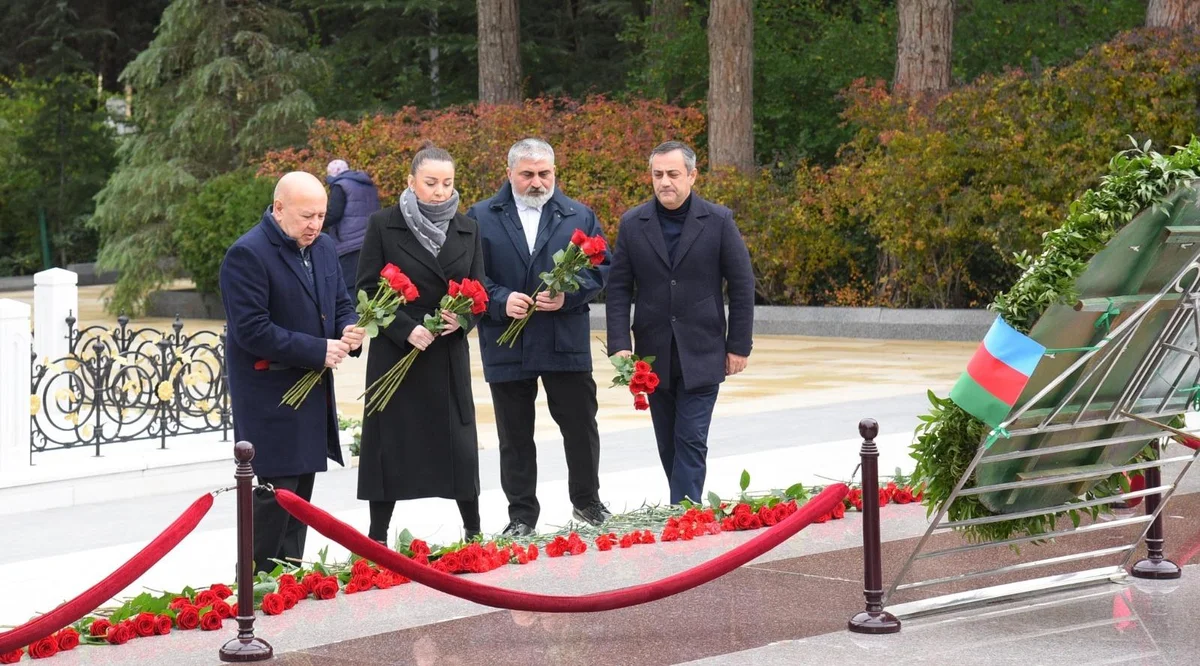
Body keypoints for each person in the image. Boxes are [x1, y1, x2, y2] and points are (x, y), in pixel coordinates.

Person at [219, 171, 366, 573]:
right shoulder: (247, 254)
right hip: (272, 398)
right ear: (279, 209)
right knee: (275, 495)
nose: (316, 225)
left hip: (311, 393)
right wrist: (317, 349)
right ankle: (254, 584)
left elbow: (340, 303)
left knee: (300, 497)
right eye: (307, 216)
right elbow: (252, 330)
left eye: (321, 215)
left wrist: (349, 329)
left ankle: (289, 580)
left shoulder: (324, 247)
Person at [468, 138, 612, 537]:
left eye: (544, 173)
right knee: (514, 435)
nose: (536, 182)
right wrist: (499, 300)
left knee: (580, 426)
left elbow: (602, 269)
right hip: (506, 341)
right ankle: (521, 515)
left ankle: (587, 502)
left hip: (563, 338)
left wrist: (569, 294)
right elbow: (468, 273)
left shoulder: (578, 214)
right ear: (510, 172)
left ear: (555, 172)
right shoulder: (480, 215)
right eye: (527, 174)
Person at [605, 141, 755, 505]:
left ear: (692, 175)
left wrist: (738, 345)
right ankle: (683, 508)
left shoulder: (718, 221)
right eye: (658, 175)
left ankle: (683, 514)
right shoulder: (633, 223)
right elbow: (619, 289)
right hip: (653, 355)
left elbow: (742, 284)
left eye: (673, 174)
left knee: (691, 436)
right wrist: (619, 344)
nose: (665, 182)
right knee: (668, 439)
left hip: (703, 351)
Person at [356, 142, 486, 544]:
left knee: (459, 447)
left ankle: (474, 531)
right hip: (397, 355)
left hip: (445, 356)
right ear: (411, 182)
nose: (440, 191)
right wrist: (405, 327)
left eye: (447, 183)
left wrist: (461, 320)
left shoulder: (468, 227)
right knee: (391, 447)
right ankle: (377, 536)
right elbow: (364, 288)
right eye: (431, 182)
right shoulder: (383, 224)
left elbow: (480, 293)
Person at [324, 159, 381, 299]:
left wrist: (316, 221)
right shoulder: (367, 184)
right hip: (370, 241)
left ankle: (352, 320)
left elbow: (334, 213)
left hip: (348, 243)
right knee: (366, 285)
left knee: (349, 288)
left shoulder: (340, 185)